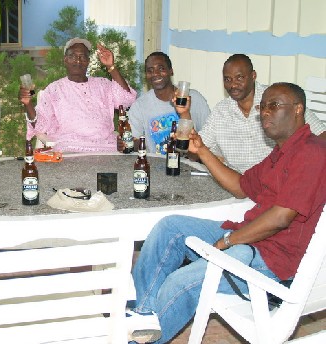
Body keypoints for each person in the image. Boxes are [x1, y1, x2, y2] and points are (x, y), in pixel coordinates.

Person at [127, 82, 326, 344]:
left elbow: (281, 217)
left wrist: (230, 240)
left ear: (299, 109)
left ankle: (139, 339)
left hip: (271, 262)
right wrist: (202, 151)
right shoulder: (281, 152)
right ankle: (143, 316)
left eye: (274, 105)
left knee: (181, 282)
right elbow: (242, 186)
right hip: (251, 238)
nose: (265, 112)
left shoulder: (312, 152)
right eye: (262, 107)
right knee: (170, 226)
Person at [200, 53, 326, 173]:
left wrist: (302, 165)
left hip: (278, 179)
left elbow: (322, 136)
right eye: (227, 79)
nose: (233, 85)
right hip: (239, 182)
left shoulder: (278, 99)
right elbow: (197, 147)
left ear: (253, 76)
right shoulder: (221, 111)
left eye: (239, 78)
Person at [19, 37, 137, 152]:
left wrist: (111, 66)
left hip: (106, 146)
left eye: (83, 57)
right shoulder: (54, 89)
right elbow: (40, 125)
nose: (78, 61)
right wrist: (28, 104)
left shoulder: (103, 84)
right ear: (65, 59)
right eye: (73, 56)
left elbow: (126, 100)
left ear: (88, 61)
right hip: (70, 147)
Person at [121, 52, 210, 155]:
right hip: (156, 166)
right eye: (150, 70)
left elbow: (209, 138)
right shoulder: (139, 106)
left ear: (171, 71)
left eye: (161, 68)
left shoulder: (194, 98)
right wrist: (126, 144)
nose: (155, 74)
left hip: (190, 164)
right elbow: (135, 141)